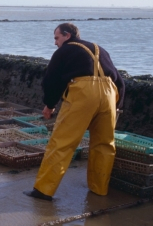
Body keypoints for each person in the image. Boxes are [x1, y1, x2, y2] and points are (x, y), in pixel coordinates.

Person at [25, 23, 125, 201]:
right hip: (110, 93)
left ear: (67, 35)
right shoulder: (100, 49)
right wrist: (117, 106)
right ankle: (99, 189)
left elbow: (51, 80)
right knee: (105, 144)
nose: (55, 43)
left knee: (62, 142)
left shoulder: (64, 51)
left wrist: (49, 104)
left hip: (83, 91)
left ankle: (43, 190)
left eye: (57, 38)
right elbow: (120, 82)